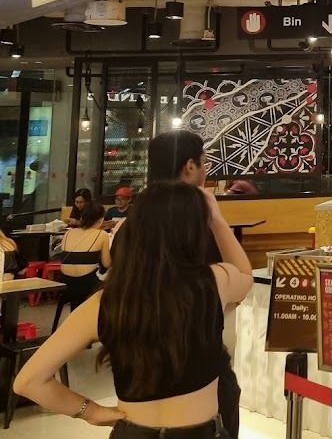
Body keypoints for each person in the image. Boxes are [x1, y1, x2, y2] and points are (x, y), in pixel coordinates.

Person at [15, 182, 253, 436]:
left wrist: (91, 411)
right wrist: (216, 218)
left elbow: (29, 381)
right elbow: (245, 274)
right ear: (194, 232)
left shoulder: (104, 303)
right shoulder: (215, 281)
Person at [132, 130, 242, 439]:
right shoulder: (195, 220)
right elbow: (238, 281)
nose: (207, 171)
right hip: (200, 362)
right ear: (190, 167)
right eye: (205, 163)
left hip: (139, 366)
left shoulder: (135, 218)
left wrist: (88, 411)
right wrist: (218, 220)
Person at [52, 201, 111, 331]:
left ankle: (77, 322)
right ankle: (98, 328)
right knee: (110, 285)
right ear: (100, 219)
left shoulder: (68, 233)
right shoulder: (101, 234)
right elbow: (107, 264)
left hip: (64, 282)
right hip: (86, 284)